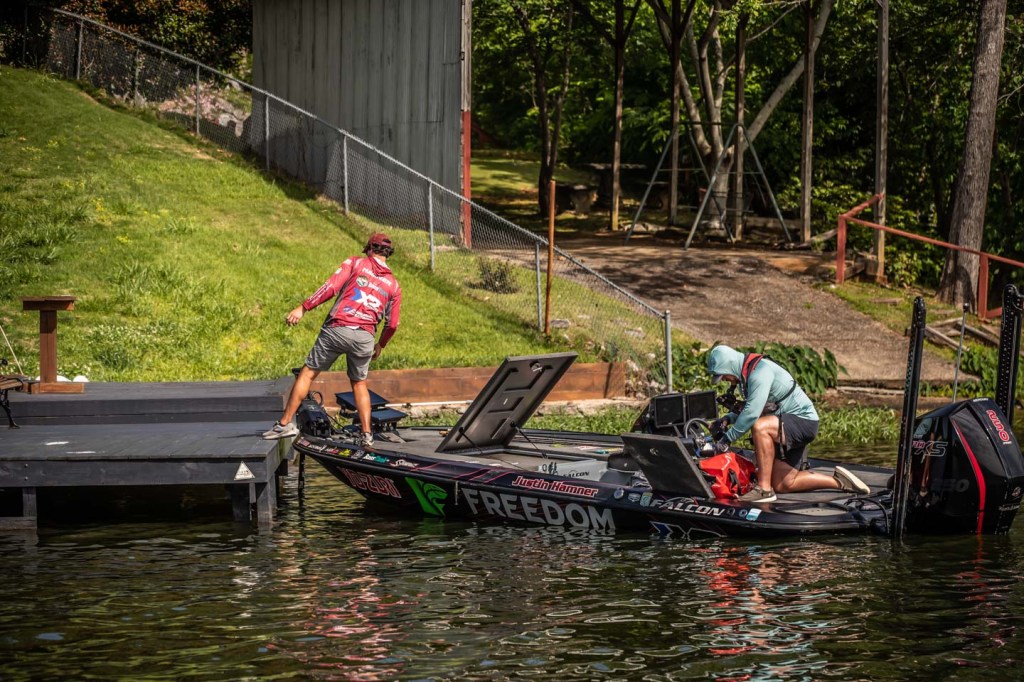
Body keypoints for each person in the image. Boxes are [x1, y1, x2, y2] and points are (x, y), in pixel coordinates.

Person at [263, 233, 402, 447]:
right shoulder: (394, 285)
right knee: (359, 383)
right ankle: (367, 435)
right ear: (387, 254)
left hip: (337, 329)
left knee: (308, 373)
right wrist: (381, 344)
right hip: (365, 337)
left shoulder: (355, 263)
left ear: (369, 249)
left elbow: (331, 287)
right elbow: (392, 324)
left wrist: (303, 308)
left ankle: (284, 424)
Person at [705, 344, 869, 503]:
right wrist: (726, 419)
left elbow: (752, 413)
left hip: (803, 422)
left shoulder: (759, 372)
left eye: (724, 375)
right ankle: (840, 482)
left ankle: (764, 490)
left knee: (760, 427)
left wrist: (727, 439)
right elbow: (754, 406)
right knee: (783, 484)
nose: (724, 379)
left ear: (731, 366)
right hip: (785, 425)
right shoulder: (748, 376)